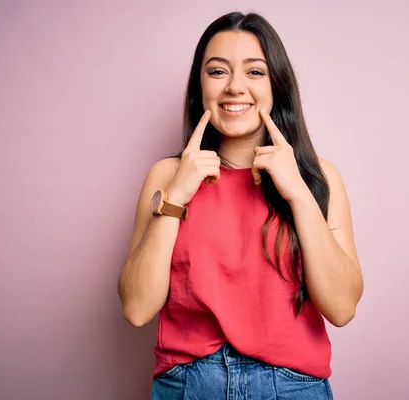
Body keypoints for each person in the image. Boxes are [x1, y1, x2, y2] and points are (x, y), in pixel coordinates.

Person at [117, 11, 363, 400]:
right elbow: (136, 308)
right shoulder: (167, 175)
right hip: (189, 386)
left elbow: (342, 308)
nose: (235, 87)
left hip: (292, 388)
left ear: (276, 85)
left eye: (255, 72)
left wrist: (298, 192)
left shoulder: (319, 177)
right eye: (217, 72)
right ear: (201, 87)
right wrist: (176, 197)